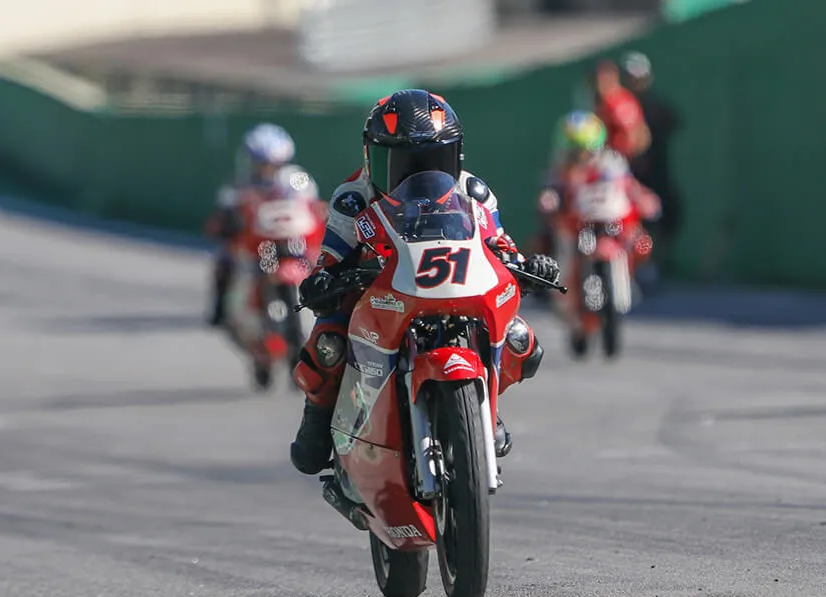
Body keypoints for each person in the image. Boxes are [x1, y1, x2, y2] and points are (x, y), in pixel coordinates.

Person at [288, 89, 561, 476]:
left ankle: (485, 407)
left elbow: (499, 244)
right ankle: (316, 418)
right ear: (372, 158)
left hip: (455, 284)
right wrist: (324, 281)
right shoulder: (352, 198)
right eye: (403, 164)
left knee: (522, 342)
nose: (418, 175)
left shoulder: (473, 192)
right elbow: (330, 257)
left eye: (432, 160)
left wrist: (526, 265)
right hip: (381, 292)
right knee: (328, 341)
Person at [536, 111, 660, 346]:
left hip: (611, 222)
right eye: (575, 148)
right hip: (575, 227)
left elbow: (629, 185)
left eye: (584, 148)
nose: (580, 154)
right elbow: (551, 190)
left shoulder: (612, 163)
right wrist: (550, 199)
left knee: (642, 243)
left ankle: (637, 278)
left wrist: (644, 198)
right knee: (559, 258)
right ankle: (566, 307)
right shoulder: (562, 169)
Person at [204, 123, 307, 327]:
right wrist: (227, 222)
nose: (265, 169)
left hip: (292, 240)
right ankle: (220, 308)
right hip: (259, 241)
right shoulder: (240, 185)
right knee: (225, 259)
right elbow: (224, 211)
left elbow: (310, 206)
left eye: (271, 163)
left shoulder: (296, 180)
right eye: (261, 163)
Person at [620, 51, 683, 282]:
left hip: (656, 175)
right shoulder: (618, 108)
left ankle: (653, 262)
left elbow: (674, 121)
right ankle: (629, 267)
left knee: (664, 215)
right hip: (626, 177)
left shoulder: (657, 107)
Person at [590, 58, 651, 161]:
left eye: (604, 79)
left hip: (620, 157)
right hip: (622, 156)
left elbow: (633, 132)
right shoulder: (624, 95)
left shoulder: (615, 102)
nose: (600, 84)